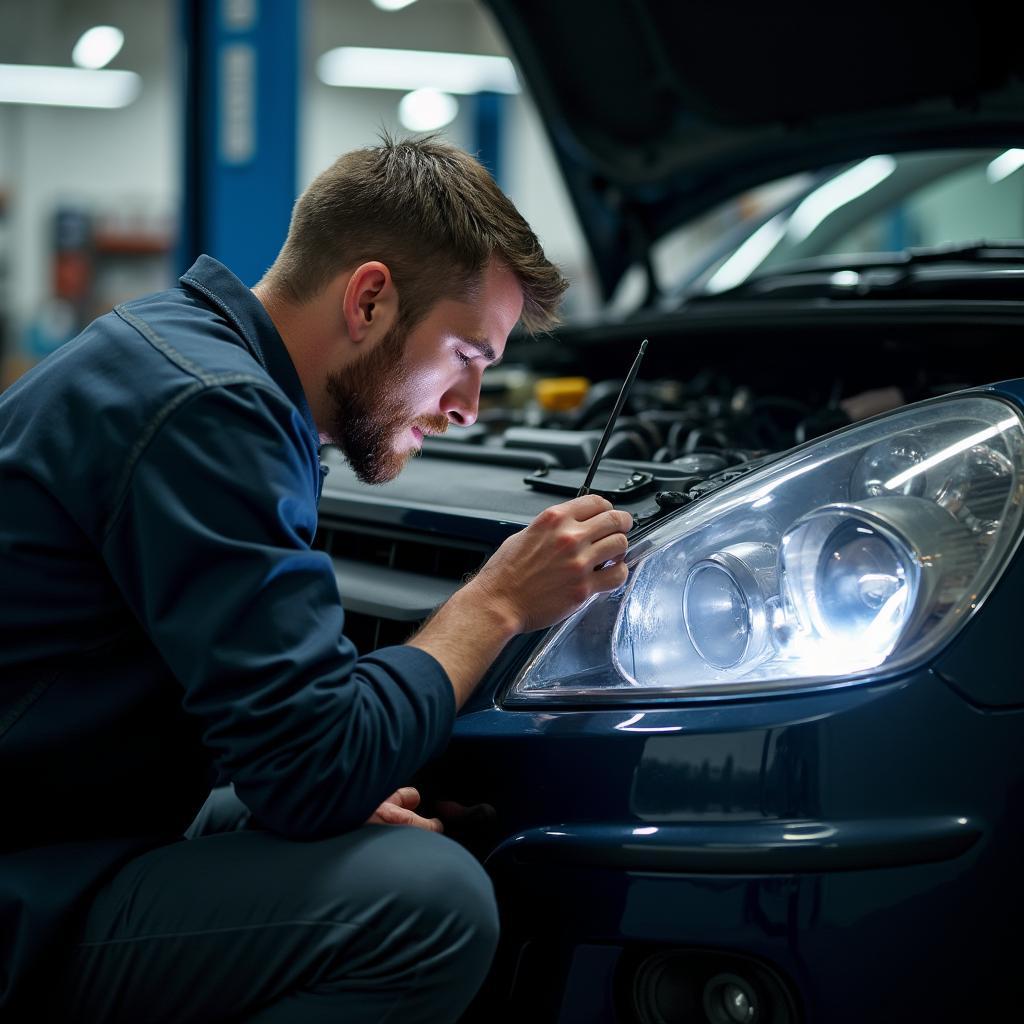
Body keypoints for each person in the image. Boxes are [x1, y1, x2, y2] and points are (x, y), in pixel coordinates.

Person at [0, 135, 633, 1022]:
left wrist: (319, 772)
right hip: (29, 886)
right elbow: (312, 767)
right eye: (468, 357)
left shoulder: (171, 354)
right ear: (370, 298)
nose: (464, 410)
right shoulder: (210, 412)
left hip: (62, 825)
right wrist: (495, 602)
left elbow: (262, 732)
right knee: (425, 905)